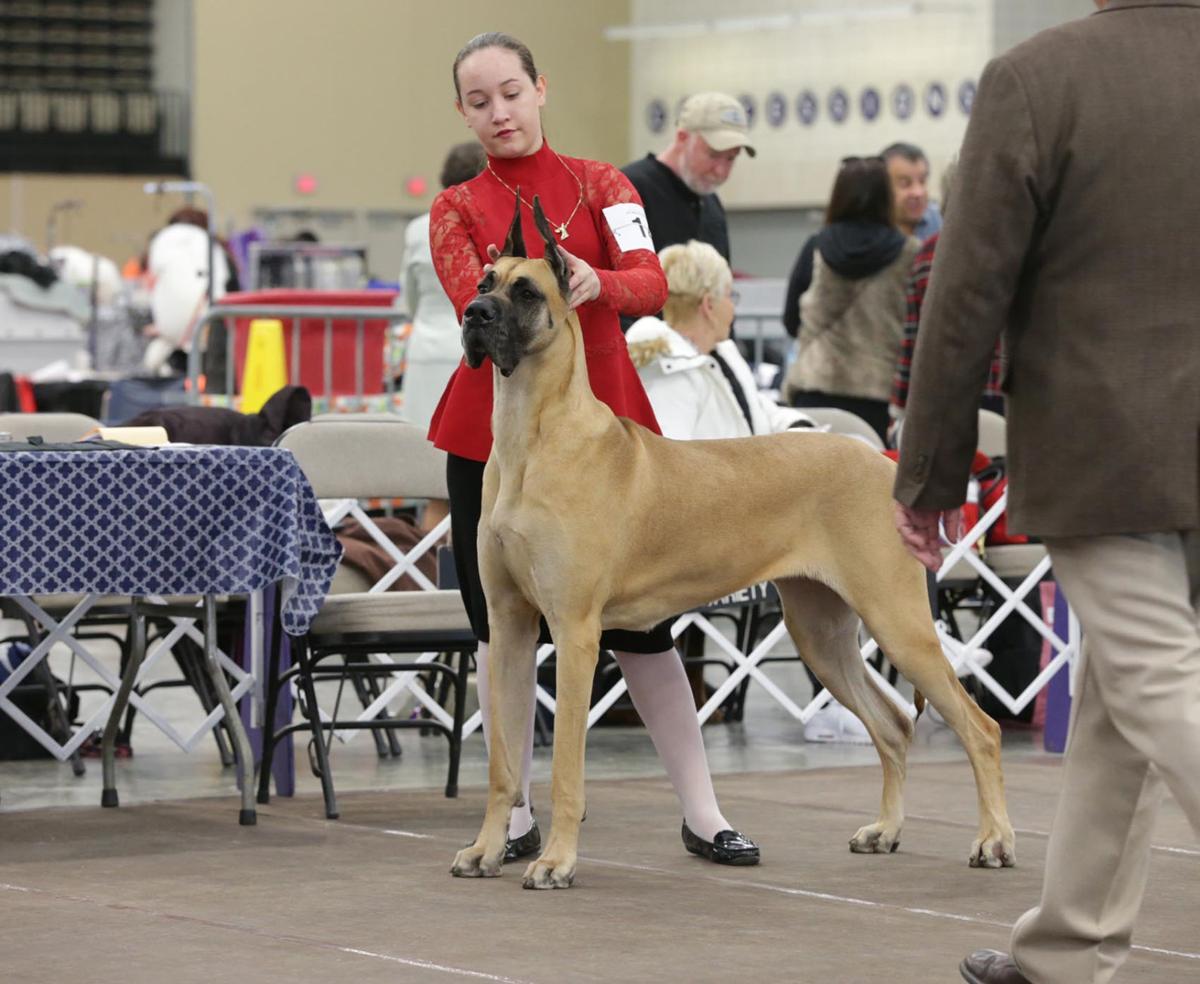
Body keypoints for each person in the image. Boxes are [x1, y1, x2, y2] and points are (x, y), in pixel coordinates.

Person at [891, 3, 1200, 982]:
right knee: (1120, 691)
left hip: (1105, 439)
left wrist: (934, 466)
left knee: (1151, 679)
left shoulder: (1038, 76)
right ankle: (1069, 946)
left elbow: (967, 286)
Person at [428, 32, 759, 866]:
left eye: (511, 92)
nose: (498, 112)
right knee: (496, 630)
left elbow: (652, 283)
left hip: (604, 423)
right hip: (488, 439)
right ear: (463, 111)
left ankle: (705, 811)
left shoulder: (605, 184)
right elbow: (476, 299)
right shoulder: (455, 207)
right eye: (479, 101)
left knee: (643, 630)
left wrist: (592, 281)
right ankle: (511, 816)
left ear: (541, 88)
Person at [627, 240, 874, 744]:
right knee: (844, 539)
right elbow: (669, 461)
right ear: (708, 304)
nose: (736, 308)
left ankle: (894, 656)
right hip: (705, 530)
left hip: (753, 510)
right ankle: (917, 650)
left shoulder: (722, 356)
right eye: (731, 296)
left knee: (856, 522)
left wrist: (810, 437)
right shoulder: (666, 370)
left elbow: (763, 420)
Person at [782, 156, 920, 442]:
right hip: (878, 399)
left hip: (814, 393)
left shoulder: (816, 246)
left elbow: (790, 320)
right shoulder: (911, 254)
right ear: (887, 197)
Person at [399, 142, 486, 433]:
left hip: (426, 346)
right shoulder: (487, 226)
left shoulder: (417, 229)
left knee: (419, 436)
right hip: (476, 345)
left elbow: (407, 296)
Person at [621, 92, 755, 263]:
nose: (720, 171)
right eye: (713, 155)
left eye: (731, 158)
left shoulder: (712, 205)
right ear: (682, 138)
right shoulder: (629, 190)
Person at [881, 142, 941, 241]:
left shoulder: (938, 222)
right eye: (905, 183)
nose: (918, 193)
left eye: (922, 181)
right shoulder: (868, 234)